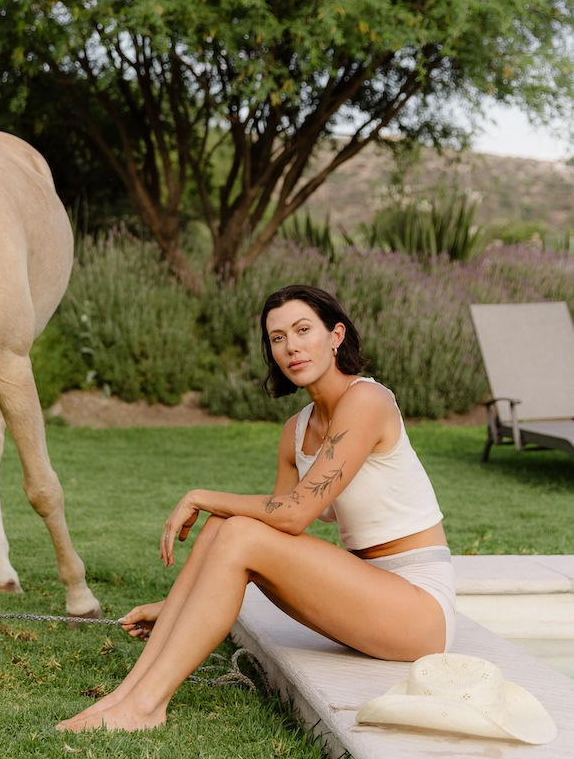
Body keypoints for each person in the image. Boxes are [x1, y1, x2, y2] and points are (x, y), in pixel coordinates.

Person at [56, 284, 455, 734]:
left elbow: (294, 514)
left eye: (304, 330)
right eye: (278, 338)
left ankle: (146, 707)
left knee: (238, 529)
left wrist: (199, 496)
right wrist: (175, 604)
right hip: (372, 596)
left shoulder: (368, 401)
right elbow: (272, 526)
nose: (292, 347)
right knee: (230, 527)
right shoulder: (295, 431)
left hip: (419, 609)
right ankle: (127, 696)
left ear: (336, 335)